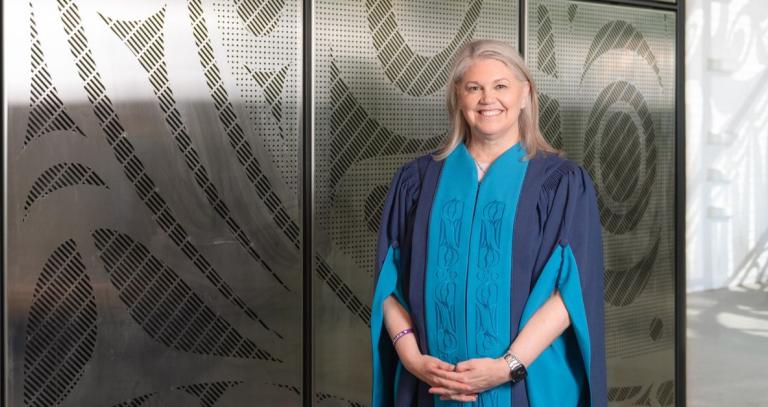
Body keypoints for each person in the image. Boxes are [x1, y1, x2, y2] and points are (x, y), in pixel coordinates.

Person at [370, 39, 607, 406]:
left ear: (525, 94)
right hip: (430, 385)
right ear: (457, 96)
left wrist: (507, 366)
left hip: (527, 385)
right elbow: (389, 283)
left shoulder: (559, 184)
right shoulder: (417, 182)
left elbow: (571, 290)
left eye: (500, 86)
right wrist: (411, 357)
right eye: (474, 87)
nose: (487, 99)